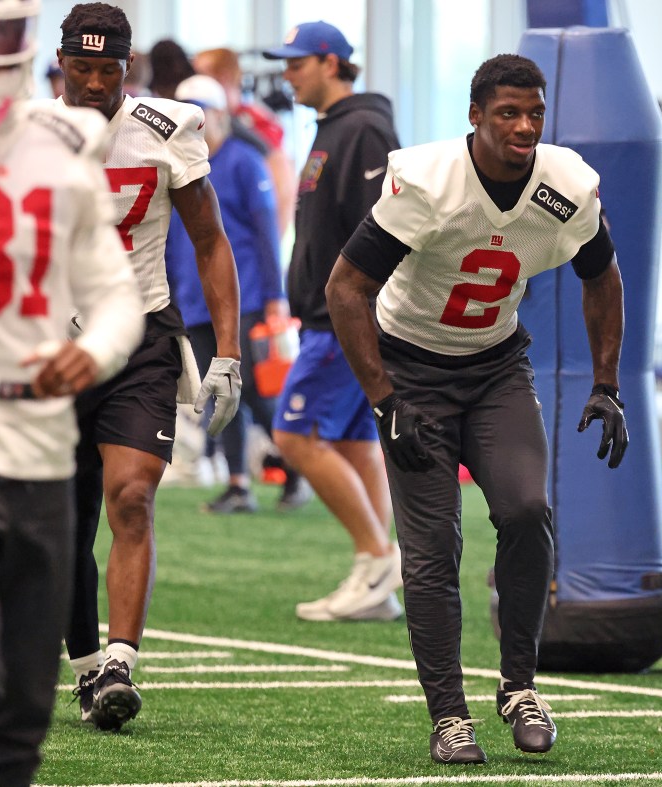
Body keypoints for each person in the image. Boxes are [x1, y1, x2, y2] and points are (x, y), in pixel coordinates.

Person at [325, 53, 628, 764]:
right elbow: (346, 287)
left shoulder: (565, 186)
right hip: (413, 372)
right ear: (475, 116)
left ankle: (519, 685)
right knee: (433, 552)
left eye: (534, 113)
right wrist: (384, 397)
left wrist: (606, 381)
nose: (525, 126)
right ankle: (448, 715)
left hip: (495, 367)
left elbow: (602, 275)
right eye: (507, 113)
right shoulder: (428, 182)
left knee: (527, 509)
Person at [51, 2, 242, 731]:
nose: (96, 81)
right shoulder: (27, 133)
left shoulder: (168, 128)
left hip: (141, 335)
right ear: (62, 62)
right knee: (60, 523)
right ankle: (85, 666)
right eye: (83, 65)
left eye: (109, 68)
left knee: (129, 495)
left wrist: (227, 349)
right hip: (51, 345)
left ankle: (121, 658)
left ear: (128, 67)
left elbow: (210, 239)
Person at [0, 0, 144, 780]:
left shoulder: (62, 150)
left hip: (37, 437)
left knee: (22, 702)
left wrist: (97, 350)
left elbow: (116, 293)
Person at [263, 21, 402, 622]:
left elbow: (386, 228)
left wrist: (355, 309)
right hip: (324, 317)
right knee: (350, 441)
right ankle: (379, 578)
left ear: (329, 62)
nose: (287, 74)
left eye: (296, 63)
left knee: (293, 435)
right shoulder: (332, 131)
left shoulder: (365, 129)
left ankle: (378, 556)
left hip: (345, 319)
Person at [166, 74, 304, 513]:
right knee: (218, 393)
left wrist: (276, 296)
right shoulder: (174, 166)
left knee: (260, 395)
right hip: (193, 298)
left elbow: (267, 233)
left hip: (245, 298)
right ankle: (239, 484)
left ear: (221, 115)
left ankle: (299, 470)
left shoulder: (244, 161)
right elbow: (170, 239)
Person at [193, 46, 297, 237]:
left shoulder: (257, 122)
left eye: (200, 75)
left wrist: (269, 245)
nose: (194, 82)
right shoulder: (202, 119)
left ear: (223, 77)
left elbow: (283, 186)